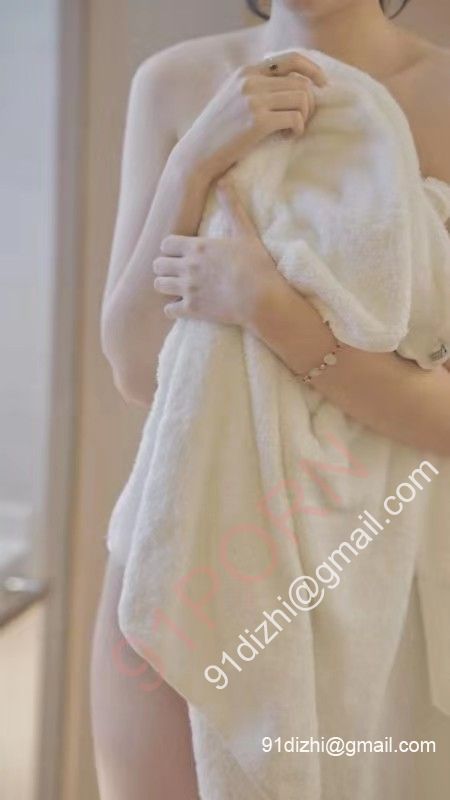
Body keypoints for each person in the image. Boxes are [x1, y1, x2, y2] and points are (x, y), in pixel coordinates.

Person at [90, 1, 450, 797]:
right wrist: (192, 166)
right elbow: (135, 369)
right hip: (187, 559)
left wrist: (271, 310)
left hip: (384, 578)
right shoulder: (176, 84)